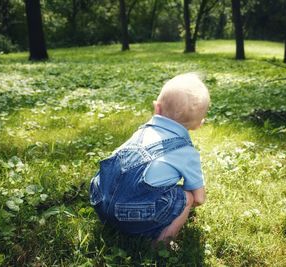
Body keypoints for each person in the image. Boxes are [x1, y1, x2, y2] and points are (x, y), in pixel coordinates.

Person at [89, 73, 210, 243]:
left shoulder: (141, 132)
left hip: (100, 202)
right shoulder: (186, 152)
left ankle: (117, 223)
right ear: (199, 124)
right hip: (133, 216)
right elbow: (199, 198)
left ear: (157, 108)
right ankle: (162, 243)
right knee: (187, 197)